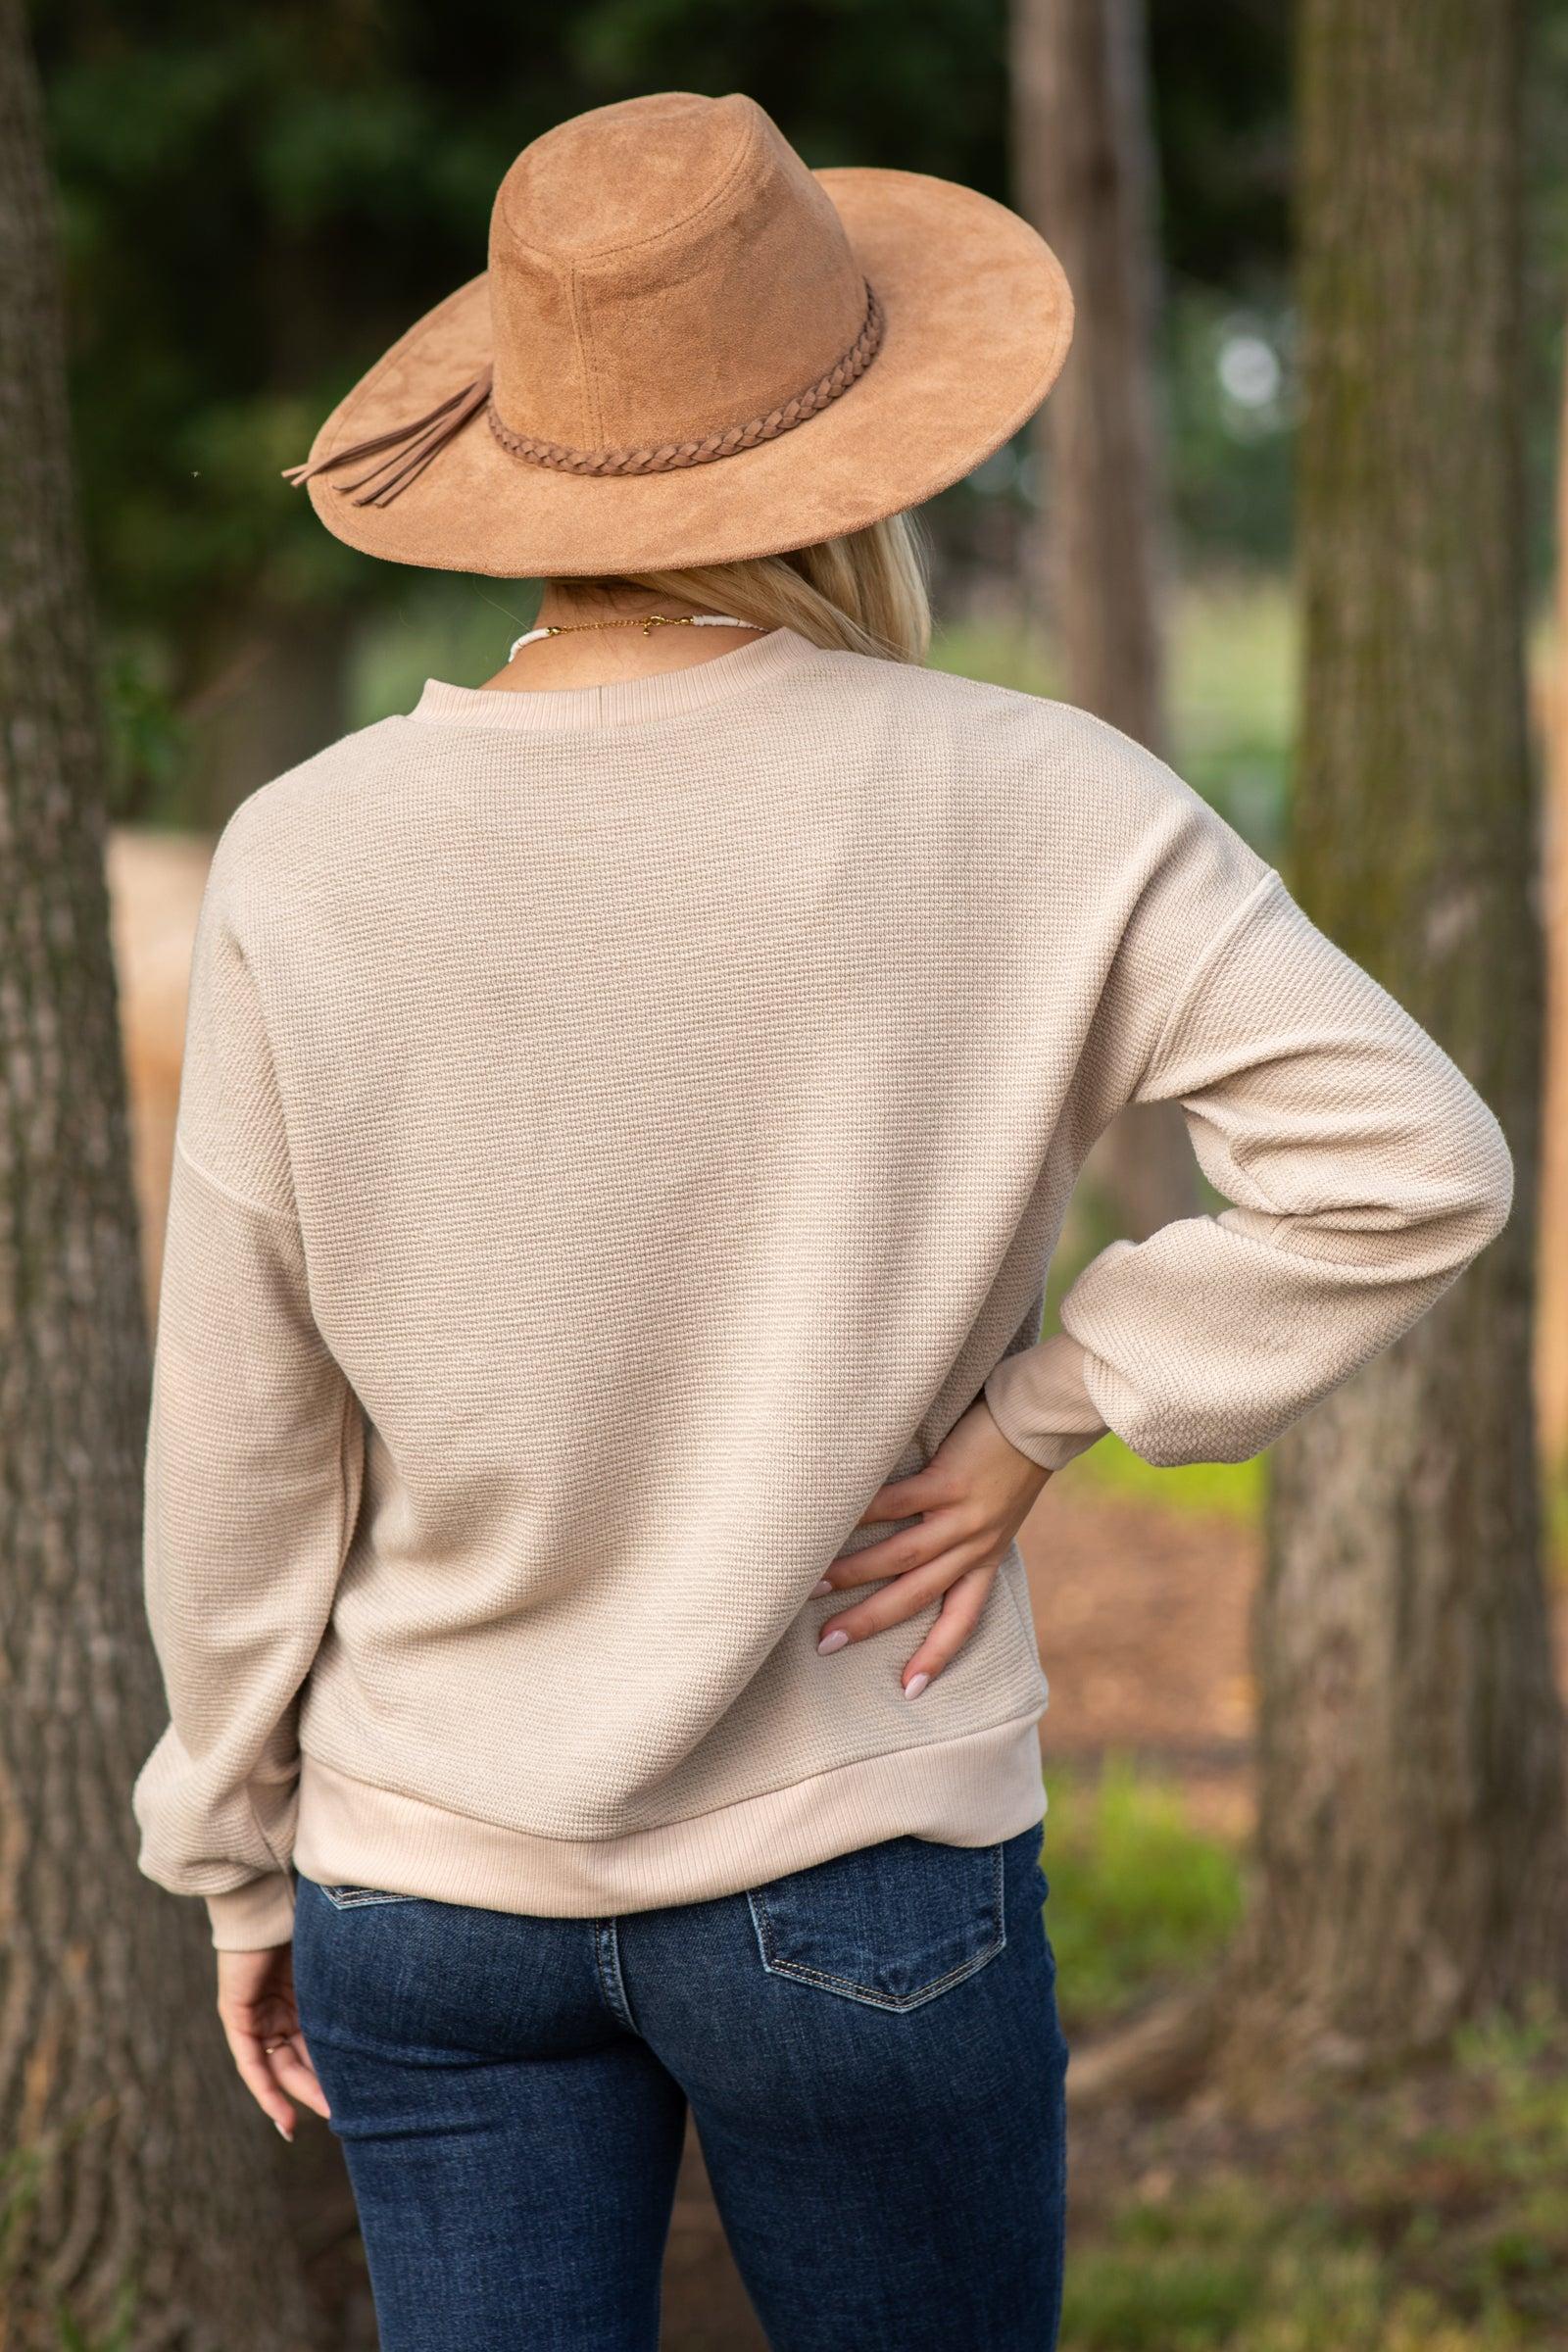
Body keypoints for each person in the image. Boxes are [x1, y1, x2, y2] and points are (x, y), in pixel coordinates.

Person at [129, 90, 1513, 2352]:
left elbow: (242, 1431)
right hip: (859, 1859)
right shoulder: (1033, 799)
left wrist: (224, 1854)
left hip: (422, 1878)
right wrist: (1050, 1410)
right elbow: (1408, 1163)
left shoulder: (304, 851)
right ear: (859, 447)